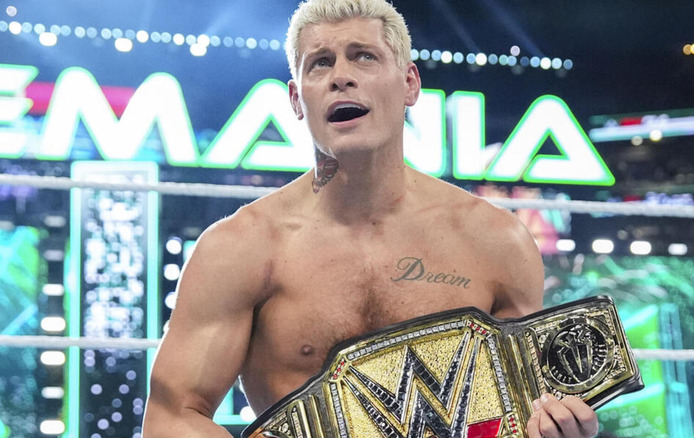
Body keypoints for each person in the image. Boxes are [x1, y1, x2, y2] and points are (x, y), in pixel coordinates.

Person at [142, 1, 599, 437]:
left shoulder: (494, 239)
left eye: (364, 57)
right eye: (320, 63)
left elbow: (531, 406)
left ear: (409, 84)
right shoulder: (241, 247)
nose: (341, 76)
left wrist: (561, 429)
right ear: (297, 99)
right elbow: (171, 417)